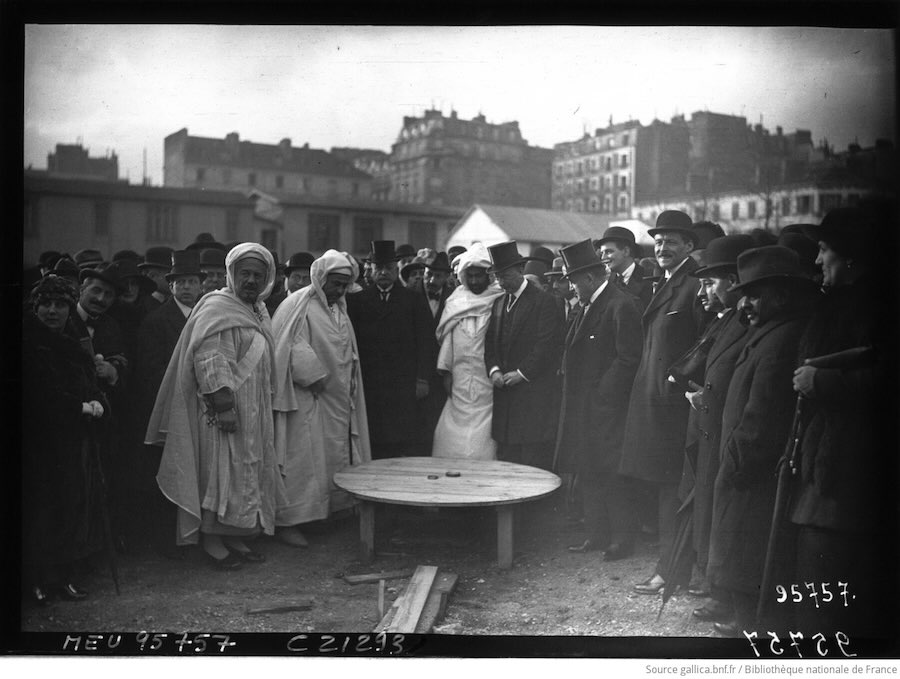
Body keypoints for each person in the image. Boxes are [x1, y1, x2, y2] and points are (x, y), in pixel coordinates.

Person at [787, 206, 894, 639]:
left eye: (825, 250)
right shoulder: (837, 303)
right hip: (827, 459)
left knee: (830, 585)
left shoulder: (881, 307)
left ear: (851, 258)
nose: (817, 261)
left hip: (855, 469)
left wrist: (823, 381)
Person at [706, 245, 820, 635]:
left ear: (780, 294)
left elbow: (764, 416)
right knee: (742, 552)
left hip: (753, 472)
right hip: (743, 466)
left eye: (755, 294)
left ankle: (755, 632)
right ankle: (746, 621)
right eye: (744, 296)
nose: (747, 304)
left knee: (750, 554)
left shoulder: (782, 338)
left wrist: (734, 463)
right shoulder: (769, 330)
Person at [145, 243, 280, 570]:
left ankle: (234, 534)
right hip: (222, 410)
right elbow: (210, 359)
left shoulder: (257, 309)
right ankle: (212, 539)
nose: (250, 280)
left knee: (244, 471)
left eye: (257, 275)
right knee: (220, 472)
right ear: (232, 274)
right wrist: (223, 406)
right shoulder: (218, 307)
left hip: (253, 407)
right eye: (244, 273)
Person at [664, 235, 755, 621]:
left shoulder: (744, 321)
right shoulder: (729, 319)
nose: (704, 290)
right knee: (708, 511)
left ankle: (725, 593)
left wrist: (709, 396)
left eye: (710, 282)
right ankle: (715, 586)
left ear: (734, 281)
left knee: (725, 515)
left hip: (725, 431)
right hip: (710, 425)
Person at [621, 210, 709, 586]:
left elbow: (709, 339)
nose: (662, 248)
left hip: (674, 406)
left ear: (689, 245)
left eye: (671, 241)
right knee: (663, 488)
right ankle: (670, 569)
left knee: (671, 489)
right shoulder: (668, 281)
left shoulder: (693, 284)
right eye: (657, 242)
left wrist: (680, 378)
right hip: (655, 405)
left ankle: (670, 572)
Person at [271, 250, 371, 547]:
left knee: (330, 458)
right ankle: (289, 521)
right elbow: (290, 345)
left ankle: (326, 513)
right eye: (334, 283)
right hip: (306, 397)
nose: (339, 290)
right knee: (303, 459)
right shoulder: (298, 305)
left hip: (338, 401)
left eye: (344, 284)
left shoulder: (339, 309)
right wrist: (315, 376)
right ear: (320, 278)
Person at [552, 240, 642, 555]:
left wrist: (603, 394)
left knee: (612, 470)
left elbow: (629, 358)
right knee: (588, 466)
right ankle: (597, 534)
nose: (570, 286)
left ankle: (621, 538)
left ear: (589, 278)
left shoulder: (621, 304)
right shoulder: (586, 305)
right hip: (585, 406)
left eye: (573, 280)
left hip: (607, 407)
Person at [22, 275, 107, 603]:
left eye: (60, 305)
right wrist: (78, 407)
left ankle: (63, 576)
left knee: (71, 506)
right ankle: (35, 579)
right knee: (40, 510)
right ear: (36, 306)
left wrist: (99, 401)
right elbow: (37, 395)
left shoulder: (73, 345)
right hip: (38, 443)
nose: (53, 311)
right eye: (46, 304)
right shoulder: (27, 343)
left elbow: (89, 382)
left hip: (74, 442)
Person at [134, 250, 206, 559]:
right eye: (181, 282)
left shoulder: (206, 316)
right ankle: (170, 543)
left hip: (203, 408)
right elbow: (151, 372)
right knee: (174, 467)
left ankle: (197, 535)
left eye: (192, 281)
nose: (187, 288)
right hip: (172, 406)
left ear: (200, 285)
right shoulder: (157, 320)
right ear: (171, 285)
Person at [346, 240, 433, 459]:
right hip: (371, 382)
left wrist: (422, 379)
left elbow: (425, 341)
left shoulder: (413, 300)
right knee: (374, 438)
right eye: (378, 268)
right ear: (371, 271)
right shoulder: (357, 301)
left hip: (403, 382)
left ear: (396, 271)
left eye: (388, 268)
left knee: (402, 439)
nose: (383, 273)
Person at [483, 240, 564, 469]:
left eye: (505, 275)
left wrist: (521, 373)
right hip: (505, 400)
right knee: (507, 461)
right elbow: (489, 343)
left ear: (520, 270)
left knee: (531, 462)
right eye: (497, 276)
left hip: (532, 400)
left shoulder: (544, 302)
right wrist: (494, 370)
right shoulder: (498, 303)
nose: (500, 281)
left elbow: (546, 346)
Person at [432, 244, 505, 459]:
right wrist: (448, 376)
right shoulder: (455, 302)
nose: (474, 281)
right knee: (450, 441)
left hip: (488, 381)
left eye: (478, 276)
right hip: (460, 383)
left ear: (487, 275)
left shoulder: (499, 299)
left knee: (484, 442)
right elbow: (447, 345)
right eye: (470, 276)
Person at [415, 251, 454, 452]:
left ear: (447, 277)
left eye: (438, 276)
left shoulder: (454, 299)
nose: (432, 280)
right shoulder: (412, 295)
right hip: (416, 376)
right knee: (416, 429)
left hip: (441, 376)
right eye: (429, 274)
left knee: (437, 426)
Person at [594, 226, 653, 311]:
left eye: (609, 252)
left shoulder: (649, 278)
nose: (603, 257)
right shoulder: (607, 282)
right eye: (602, 253)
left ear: (626, 251)